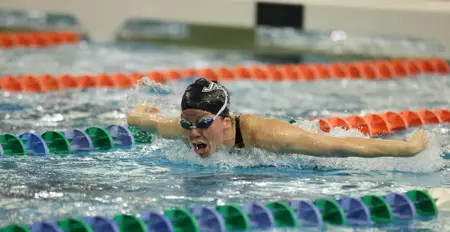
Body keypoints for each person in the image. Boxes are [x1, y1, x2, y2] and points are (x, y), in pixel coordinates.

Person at [127, 77, 430, 159]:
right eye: (187, 123)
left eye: (204, 123)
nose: (193, 132)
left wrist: (406, 149)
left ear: (227, 122)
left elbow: (340, 147)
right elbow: (140, 121)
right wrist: (141, 112)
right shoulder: (184, 130)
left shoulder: (270, 135)